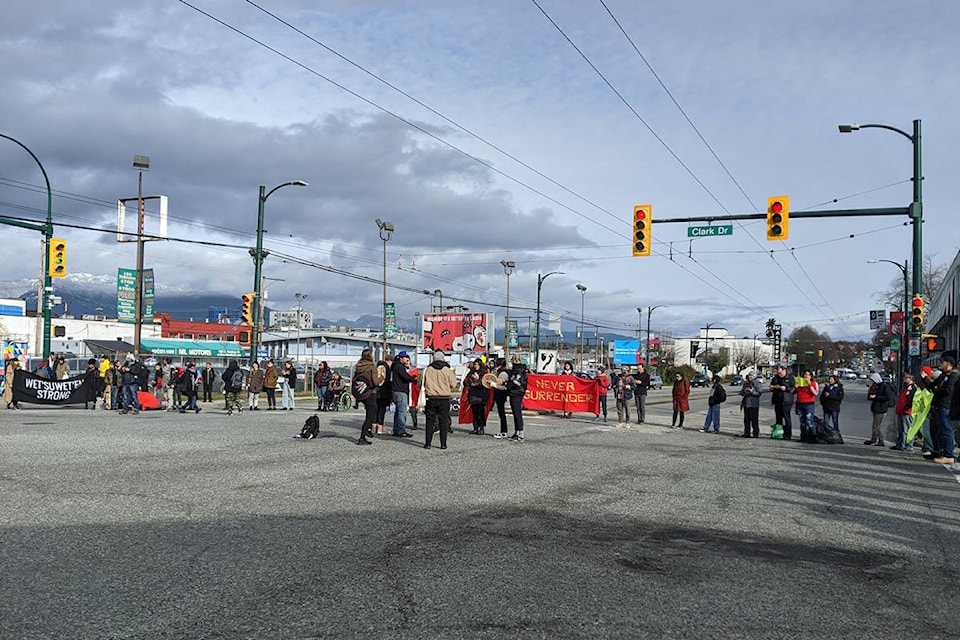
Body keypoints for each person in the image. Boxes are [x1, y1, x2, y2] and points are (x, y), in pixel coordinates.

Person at [420, 350, 459, 449]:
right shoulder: (447, 370)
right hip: (444, 398)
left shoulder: (427, 369)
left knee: (430, 421)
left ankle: (428, 443)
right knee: (443, 421)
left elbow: (420, 382)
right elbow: (454, 384)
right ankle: (443, 444)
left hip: (431, 398)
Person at [492, 354, 527, 441]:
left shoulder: (519, 370)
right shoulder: (516, 370)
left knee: (517, 413)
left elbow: (516, 383)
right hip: (514, 393)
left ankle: (520, 433)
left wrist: (504, 383)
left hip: (517, 393)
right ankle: (517, 432)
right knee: (515, 413)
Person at [930, 355, 958, 464]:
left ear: (949, 364)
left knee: (947, 430)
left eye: (943, 362)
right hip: (939, 405)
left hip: (946, 405)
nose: (941, 364)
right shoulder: (943, 375)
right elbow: (932, 385)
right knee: (940, 430)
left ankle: (949, 454)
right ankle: (941, 450)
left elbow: (948, 391)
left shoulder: (953, 376)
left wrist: (937, 390)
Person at [354, 348, 385, 445]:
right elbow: (375, 382)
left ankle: (367, 430)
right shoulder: (372, 367)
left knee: (370, 411)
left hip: (362, 392)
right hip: (371, 392)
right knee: (370, 415)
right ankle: (362, 437)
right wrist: (382, 377)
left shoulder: (358, 367)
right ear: (370, 356)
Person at [391, 351, 417, 437]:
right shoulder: (399, 367)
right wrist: (413, 379)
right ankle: (401, 431)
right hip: (401, 391)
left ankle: (396, 430)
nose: (407, 359)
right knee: (402, 412)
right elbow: (405, 377)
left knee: (398, 412)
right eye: (405, 357)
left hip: (396, 391)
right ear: (401, 358)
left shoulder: (395, 366)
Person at [864, 372, 892, 447]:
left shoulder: (884, 386)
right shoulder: (878, 386)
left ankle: (881, 440)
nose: (872, 382)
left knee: (876, 426)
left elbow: (887, 397)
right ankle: (873, 439)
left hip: (881, 409)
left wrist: (875, 397)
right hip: (877, 408)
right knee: (876, 425)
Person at [769, 364, 796, 440]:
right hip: (777, 401)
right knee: (778, 418)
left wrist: (786, 388)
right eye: (777, 371)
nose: (778, 373)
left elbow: (793, 389)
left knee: (787, 418)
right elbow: (772, 385)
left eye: (780, 371)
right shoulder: (776, 378)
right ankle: (779, 433)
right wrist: (772, 388)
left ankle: (788, 434)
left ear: (784, 370)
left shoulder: (790, 378)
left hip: (786, 401)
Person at [463, 359, 489, 435]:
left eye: (477, 364)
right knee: (474, 413)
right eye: (475, 364)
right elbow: (465, 382)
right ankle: (475, 427)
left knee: (481, 412)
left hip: (481, 395)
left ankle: (481, 427)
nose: (476, 366)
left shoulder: (484, 373)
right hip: (473, 395)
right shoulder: (471, 373)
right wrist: (471, 381)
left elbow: (487, 383)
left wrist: (478, 382)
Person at [892, 373, 917, 451]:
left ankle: (907, 445)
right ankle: (900, 444)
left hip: (907, 412)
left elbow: (912, 400)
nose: (904, 379)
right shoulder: (905, 388)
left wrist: (906, 408)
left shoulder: (912, 388)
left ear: (910, 379)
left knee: (906, 429)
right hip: (901, 411)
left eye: (906, 378)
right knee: (901, 429)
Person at [795, 370, 819, 443]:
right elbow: (793, 392)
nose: (806, 376)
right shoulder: (801, 383)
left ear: (811, 376)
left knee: (809, 421)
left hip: (809, 404)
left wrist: (810, 385)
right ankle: (803, 437)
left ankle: (813, 437)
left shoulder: (813, 383)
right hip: (800, 403)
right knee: (802, 422)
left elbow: (815, 393)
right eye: (805, 375)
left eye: (808, 375)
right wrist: (796, 387)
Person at [739, 372, 762, 437]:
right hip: (746, 404)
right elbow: (742, 392)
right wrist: (743, 391)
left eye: (751, 376)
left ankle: (755, 433)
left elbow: (759, 393)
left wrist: (752, 392)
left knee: (754, 419)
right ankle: (747, 433)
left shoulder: (757, 383)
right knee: (746, 419)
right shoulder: (746, 383)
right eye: (749, 375)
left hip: (754, 404)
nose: (750, 377)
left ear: (754, 376)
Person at [492, 358, 509, 437]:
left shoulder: (503, 373)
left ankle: (503, 431)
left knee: (502, 414)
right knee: (501, 414)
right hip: (500, 395)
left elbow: (504, 387)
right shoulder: (501, 371)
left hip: (501, 395)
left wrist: (494, 385)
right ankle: (503, 431)